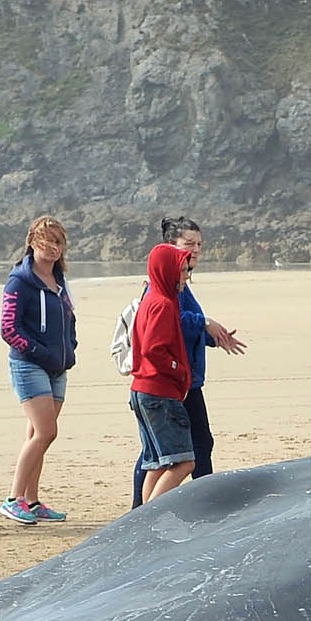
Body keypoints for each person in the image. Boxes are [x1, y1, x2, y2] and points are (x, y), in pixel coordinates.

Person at [130, 216, 247, 507]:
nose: (194, 251)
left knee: (163, 454)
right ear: (172, 248)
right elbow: (168, 331)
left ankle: (144, 512)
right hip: (170, 383)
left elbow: (176, 329)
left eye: (199, 245)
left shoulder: (175, 288)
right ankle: (157, 512)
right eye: (188, 245)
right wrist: (203, 327)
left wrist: (212, 336)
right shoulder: (163, 292)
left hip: (175, 381)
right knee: (178, 454)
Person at [0, 216, 79, 526]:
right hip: (29, 364)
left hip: (58, 367)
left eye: (58, 242)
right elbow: (9, 328)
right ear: (32, 242)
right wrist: (39, 352)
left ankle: (32, 500)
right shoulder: (20, 280)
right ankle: (12, 498)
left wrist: (70, 347)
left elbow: (69, 318)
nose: (53, 248)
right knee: (47, 431)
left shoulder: (60, 282)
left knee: (38, 434)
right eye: (46, 241)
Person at [130, 243, 198, 499]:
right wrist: (179, 370)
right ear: (167, 271)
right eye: (181, 271)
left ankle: (144, 522)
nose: (185, 277)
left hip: (143, 390)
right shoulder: (162, 304)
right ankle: (151, 518)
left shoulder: (151, 299)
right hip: (159, 392)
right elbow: (153, 350)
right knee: (183, 462)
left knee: (157, 463)